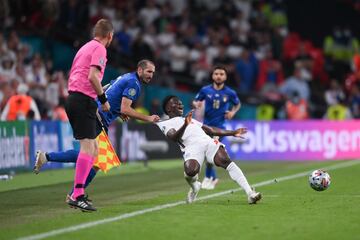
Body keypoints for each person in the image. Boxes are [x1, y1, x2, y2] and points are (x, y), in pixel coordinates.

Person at [34, 60, 160, 208]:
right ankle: (69, 187)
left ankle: (72, 190)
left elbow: (107, 89)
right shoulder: (134, 84)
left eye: (153, 72)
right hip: (97, 117)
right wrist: (148, 118)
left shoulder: (126, 77)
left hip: (95, 113)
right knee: (93, 156)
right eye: (148, 71)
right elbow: (126, 108)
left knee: (95, 159)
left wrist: (117, 111)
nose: (151, 75)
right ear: (140, 70)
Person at [156, 95, 261, 204]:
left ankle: (250, 193)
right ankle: (195, 186)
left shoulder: (189, 120)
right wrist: (185, 125)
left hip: (207, 142)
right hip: (191, 148)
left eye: (180, 103)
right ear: (168, 109)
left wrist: (233, 132)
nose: (180, 104)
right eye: (176, 103)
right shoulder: (165, 123)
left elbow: (210, 130)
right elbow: (174, 137)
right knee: (190, 172)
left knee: (225, 160)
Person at [61, 19, 113, 212]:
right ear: (110, 36)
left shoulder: (84, 47)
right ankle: (78, 194)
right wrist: (103, 99)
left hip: (77, 99)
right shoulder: (100, 49)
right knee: (87, 148)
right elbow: (92, 76)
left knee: (94, 151)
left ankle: (77, 193)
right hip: (83, 100)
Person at [192, 66, 241, 190]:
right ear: (212, 76)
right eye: (216, 73)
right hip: (206, 127)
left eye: (221, 74)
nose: (219, 76)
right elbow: (195, 101)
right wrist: (196, 104)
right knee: (207, 154)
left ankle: (210, 178)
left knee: (209, 153)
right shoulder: (205, 90)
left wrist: (232, 112)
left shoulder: (230, 92)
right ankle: (212, 177)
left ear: (225, 76)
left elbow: (237, 104)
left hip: (220, 128)